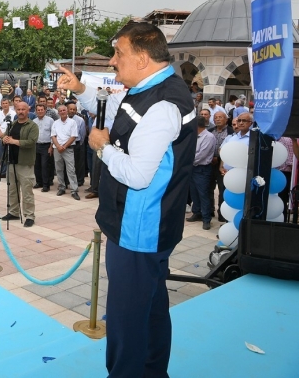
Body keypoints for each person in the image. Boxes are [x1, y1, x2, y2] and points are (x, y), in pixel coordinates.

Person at [56, 22, 197, 378]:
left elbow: (137, 174)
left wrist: (102, 148)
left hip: (139, 228)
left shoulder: (163, 104)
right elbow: (121, 106)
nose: (113, 61)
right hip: (146, 224)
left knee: (125, 317)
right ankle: (153, 371)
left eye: (119, 53)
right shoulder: (153, 89)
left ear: (143, 57)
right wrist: (81, 88)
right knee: (150, 307)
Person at [1, 101, 39, 227]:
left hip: (24, 162)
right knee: (12, 189)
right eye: (19, 109)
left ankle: (29, 215)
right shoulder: (12, 124)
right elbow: (5, 137)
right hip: (11, 161)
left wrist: (14, 141)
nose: (21, 112)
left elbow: (31, 142)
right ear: (16, 110)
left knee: (27, 191)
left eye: (23, 109)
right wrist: (5, 139)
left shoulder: (32, 125)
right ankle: (14, 212)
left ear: (28, 110)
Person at [187, 116, 217, 229]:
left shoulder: (208, 137)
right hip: (192, 168)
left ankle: (206, 218)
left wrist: (186, 161)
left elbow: (201, 155)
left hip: (202, 169)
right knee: (194, 192)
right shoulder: (193, 135)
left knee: (203, 194)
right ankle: (197, 213)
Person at [51, 104, 79, 200]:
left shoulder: (72, 122)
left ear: (67, 111)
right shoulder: (55, 123)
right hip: (57, 149)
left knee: (71, 170)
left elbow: (73, 136)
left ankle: (74, 190)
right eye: (60, 111)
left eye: (64, 110)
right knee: (59, 169)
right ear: (58, 113)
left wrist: (64, 146)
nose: (62, 112)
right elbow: (53, 136)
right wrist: (58, 146)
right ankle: (62, 187)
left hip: (68, 148)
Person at [209, 111, 232, 222]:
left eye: (220, 117)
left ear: (226, 119)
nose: (217, 119)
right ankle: (209, 211)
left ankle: (222, 213)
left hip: (223, 164)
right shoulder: (210, 131)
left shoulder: (231, 132)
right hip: (209, 162)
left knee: (222, 189)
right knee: (208, 188)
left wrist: (218, 158)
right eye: (215, 117)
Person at [32, 103, 54, 192]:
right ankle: (39, 182)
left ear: (45, 111)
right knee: (36, 165)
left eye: (42, 110)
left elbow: (53, 134)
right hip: (36, 145)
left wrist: (51, 146)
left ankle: (46, 185)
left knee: (45, 166)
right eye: (38, 110)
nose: (40, 111)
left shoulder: (50, 120)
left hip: (46, 145)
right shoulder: (34, 121)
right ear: (36, 111)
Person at [0, 98, 16, 180]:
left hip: (10, 137)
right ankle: (2, 172)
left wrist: (7, 135)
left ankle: (10, 173)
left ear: (9, 104)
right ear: (1, 104)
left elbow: (14, 125)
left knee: (10, 156)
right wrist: (1, 134)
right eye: (3, 103)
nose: (5, 105)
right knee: (1, 156)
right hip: (0, 137)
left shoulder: (13, 114)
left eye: (6, 103)